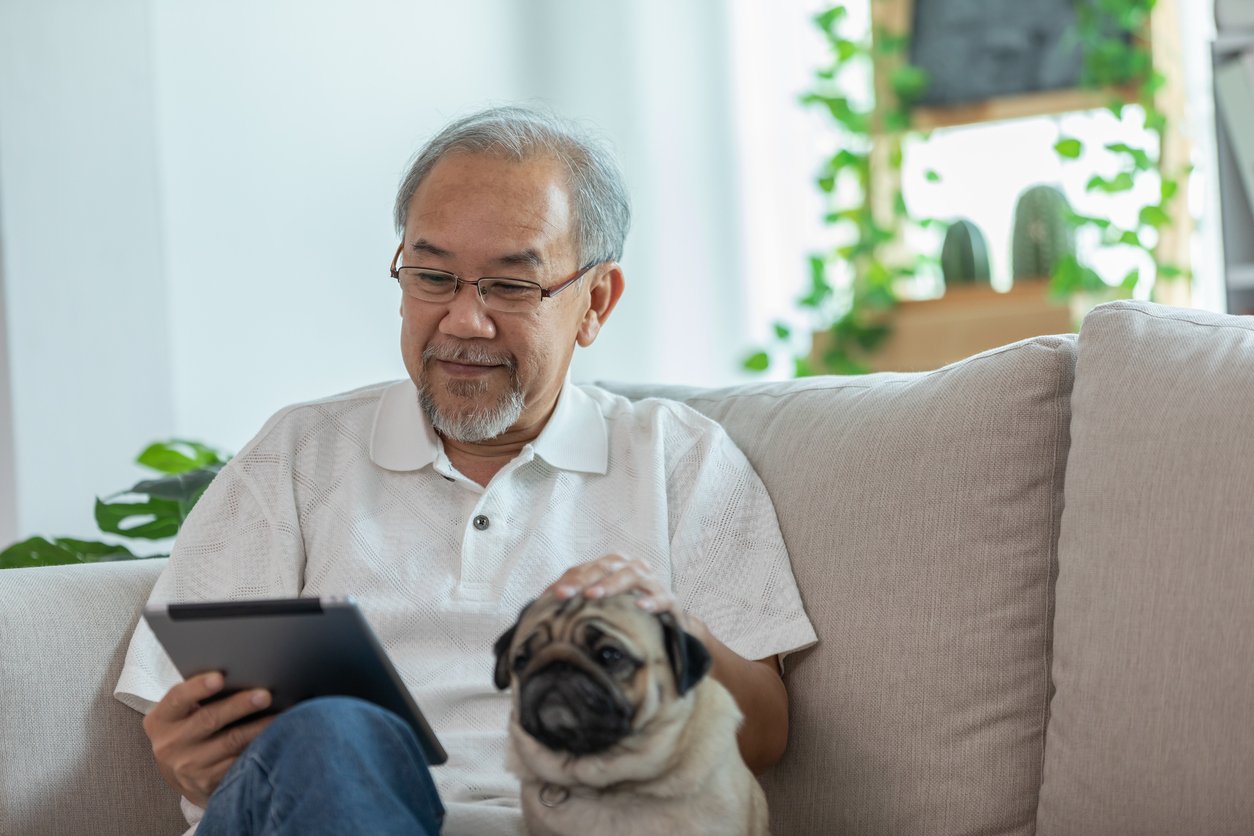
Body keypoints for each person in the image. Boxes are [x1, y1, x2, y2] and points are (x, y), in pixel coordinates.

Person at [115, 105, 817, 835]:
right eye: (432, 276)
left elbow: (762, 737)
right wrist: (185, 756)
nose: (463, 322)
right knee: (332, 737)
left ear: (595, 302)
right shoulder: (298, 454)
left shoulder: (679, 456)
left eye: (511, 287)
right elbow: (189, 729)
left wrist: (675, 628)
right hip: (319, 808)